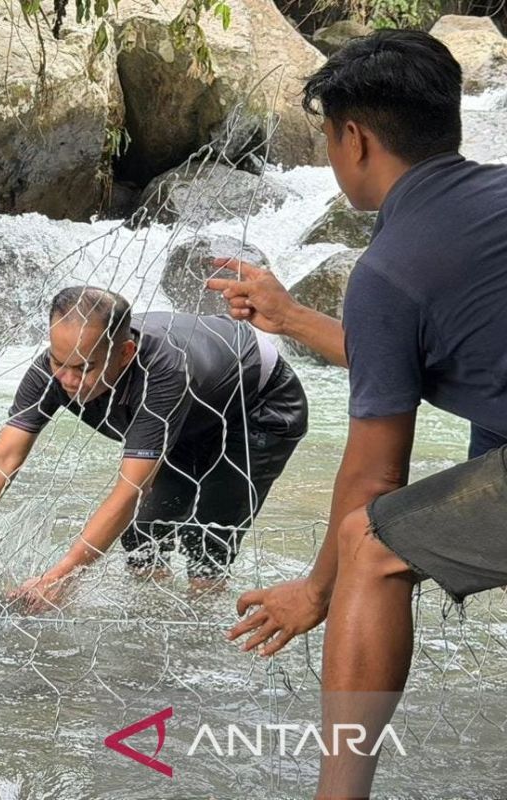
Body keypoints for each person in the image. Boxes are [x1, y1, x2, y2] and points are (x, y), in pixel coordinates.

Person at [207, 30, 507, 798]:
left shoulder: (391, 267)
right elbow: (436, 352)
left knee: (368, 546)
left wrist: (315, 590)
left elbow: (377, 473)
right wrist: (295, 318)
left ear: (356, 137)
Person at [0, 287, 308, 607]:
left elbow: (130, 489)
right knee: (142, 537)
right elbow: (3, 457)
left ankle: (197, 636)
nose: (67, 380)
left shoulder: (163, 373)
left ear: (125, 353)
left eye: (84, 368)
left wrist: (60, 578)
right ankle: (151, 622)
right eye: (59, 362)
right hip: (193, 411)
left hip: (258, 404)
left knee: (206, 542)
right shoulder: (52, 370)